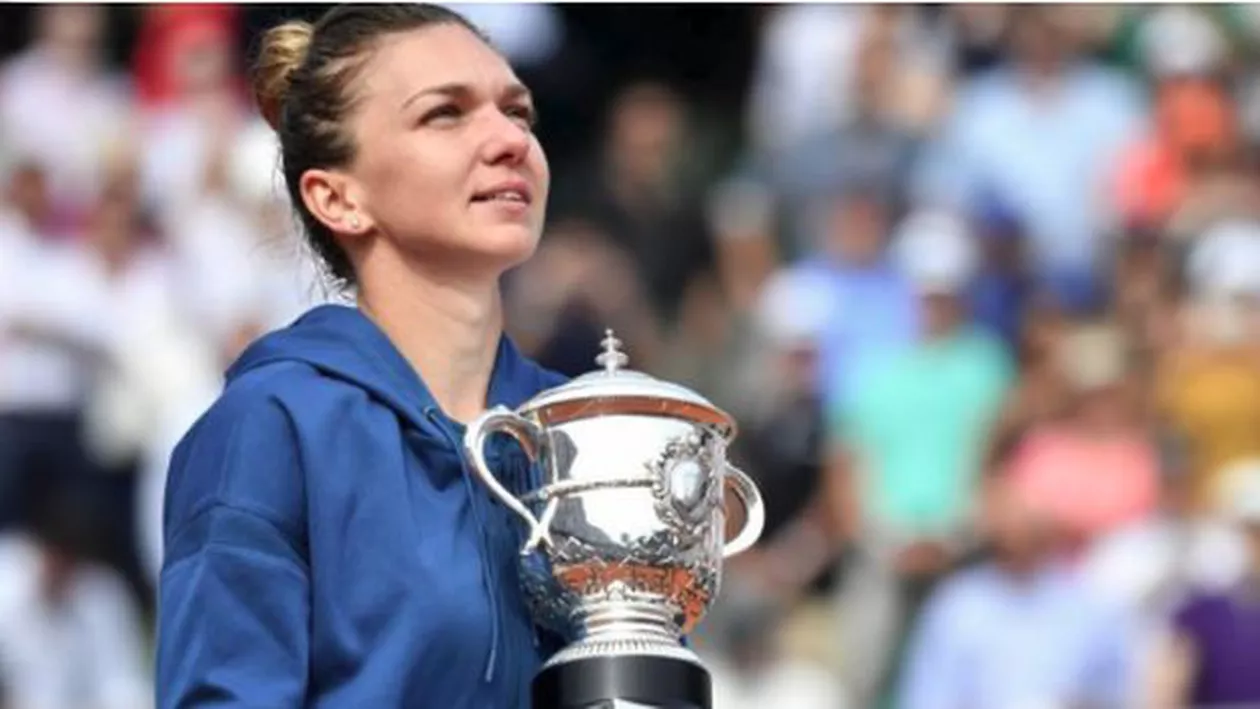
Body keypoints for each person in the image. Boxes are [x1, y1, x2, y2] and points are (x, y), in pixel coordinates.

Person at [155, 5, 567, 707]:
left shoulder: (584, 428)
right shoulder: (272, 425)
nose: (509, 140)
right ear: (337, 197)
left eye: (517, 111)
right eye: (445, 114)